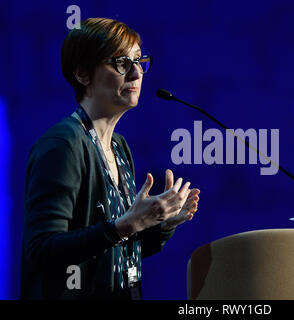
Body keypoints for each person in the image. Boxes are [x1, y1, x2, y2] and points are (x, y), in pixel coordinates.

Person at [20, 17, 200, 300]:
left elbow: (119, 249)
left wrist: (162, 223)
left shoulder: (118, 146)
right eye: (121, 63)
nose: (136, 73)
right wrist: (127, 225)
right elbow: (42, 250)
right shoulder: (63, 145)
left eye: (139, 61)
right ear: (82, 74)